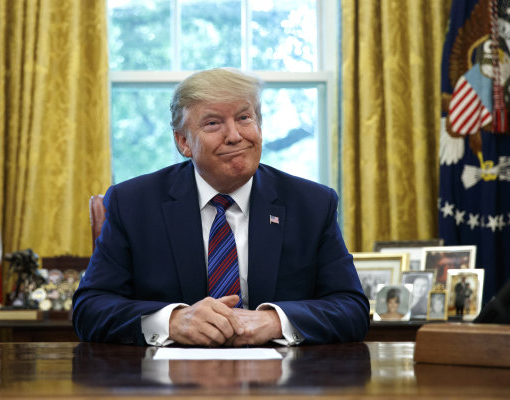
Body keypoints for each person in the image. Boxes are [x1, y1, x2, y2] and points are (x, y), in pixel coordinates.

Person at [72, 68, 370, 346]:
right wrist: (172, 321)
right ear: (183, 142)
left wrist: (275, 321)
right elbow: (90, 308)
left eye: (244, 118)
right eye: (214, 123)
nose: (235, 135)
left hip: (281, 382)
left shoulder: (311, 204)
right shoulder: (133, 203)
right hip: (169, 383)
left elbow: (351, 308)